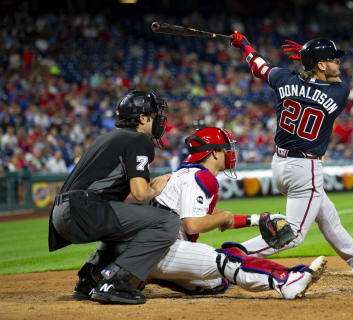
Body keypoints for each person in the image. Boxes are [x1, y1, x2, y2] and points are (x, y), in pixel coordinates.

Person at [229, 31, 353, 276]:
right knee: (293, 234)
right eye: (333, 60)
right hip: (304, 169)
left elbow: (259, 66)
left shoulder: (283, 79)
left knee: (328, 217)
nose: (338, 64)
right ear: (321, 64)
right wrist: (305, 56)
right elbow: (327, 83)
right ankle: (232, 255)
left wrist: (244, 44)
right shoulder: (338, 92)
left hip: (280, 164)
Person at [147, 127, 327, 299]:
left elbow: (211, 216)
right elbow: (193, 225)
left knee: (217, 282)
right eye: (227, 148)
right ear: (215, 153)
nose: (231, 152)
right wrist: (223, 217)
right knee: (227, 260)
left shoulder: (185, 173)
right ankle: (286, 281)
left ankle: (150, 276)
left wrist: (255, 220)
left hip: (151, 251)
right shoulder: (200, 177)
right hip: (163, 248)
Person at [48, 90, 181, 304]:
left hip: (61, 214)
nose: (159, 120)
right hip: (85, 209)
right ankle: (116, 281)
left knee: (132, 228)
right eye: (155, 115)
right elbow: (139, 192)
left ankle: (89, 279)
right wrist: (155, 188)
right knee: (168, 221)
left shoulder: (107, 137)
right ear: (142, 118)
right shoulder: (139, 140)